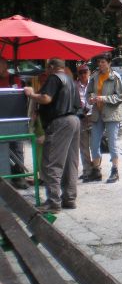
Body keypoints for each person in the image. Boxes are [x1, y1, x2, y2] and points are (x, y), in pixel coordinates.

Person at [23, 58, 81, 213]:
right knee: (70, 162)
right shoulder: (71, 80)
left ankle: (53, 202)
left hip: (59, 121)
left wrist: (32, 94)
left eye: (47, 68)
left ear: (52, 67)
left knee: (51, 163)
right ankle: (69, 198)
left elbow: (46, 98)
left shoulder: (54, 78)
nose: (45, 71)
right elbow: (78, 105)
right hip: (74, 120)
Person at [85, 53, 122, 183]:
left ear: (109, 63)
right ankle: (96, 171)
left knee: (112, 143)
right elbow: (89, 92)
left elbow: (120, 96)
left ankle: (115, 171)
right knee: (94, 143)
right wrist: (91, 99)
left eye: (103, 62)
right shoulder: (95, 76)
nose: (100, 64)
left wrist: (104, 98)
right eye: (99, 62)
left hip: (112, 114)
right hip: (97, 113)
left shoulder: (115, 77)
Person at [0, 57, 29, 189]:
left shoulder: (15, 79)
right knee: (3, 149)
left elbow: (23, 97)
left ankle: (19, 177)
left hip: (15, 119)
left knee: (17, 147)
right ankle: (6, 179)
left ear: (5, 65)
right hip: (2, 120)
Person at [75, 64, 92, 180]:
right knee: (83, 146)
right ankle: (87, 170)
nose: (83, 75)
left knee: (95, 145)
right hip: (81, 117)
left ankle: (96, 168)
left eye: (85, 72)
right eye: (80, 73)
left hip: (94, 116)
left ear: (89, 72)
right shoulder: (74, 85)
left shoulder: (94, 83)